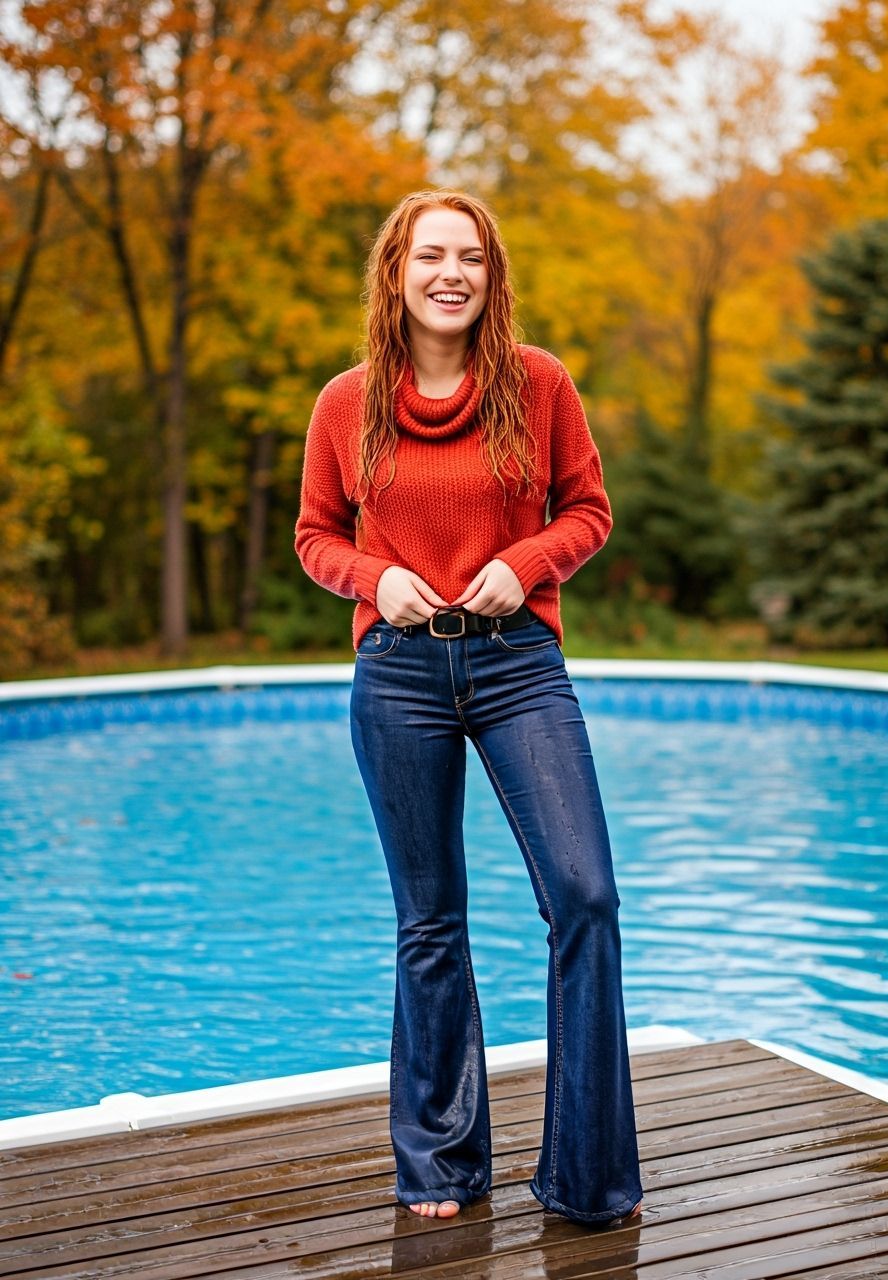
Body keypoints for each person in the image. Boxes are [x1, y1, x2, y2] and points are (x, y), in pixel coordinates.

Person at [294, 189, 643, 1228]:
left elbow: (589, 509)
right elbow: (315, 535)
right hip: (398, 672)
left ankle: (585, 1173)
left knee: (583, 896)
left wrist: (524, 560)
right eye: (430, 255)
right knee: (429, 923)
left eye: (472, 258)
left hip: (516, 663)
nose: (451, 273)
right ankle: (441, 1162)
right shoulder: (341, 403)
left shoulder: (538, 385)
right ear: (394, 273)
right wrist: (370, 579)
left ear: (491, 278)